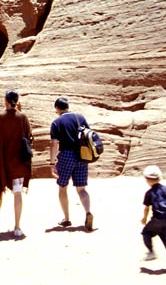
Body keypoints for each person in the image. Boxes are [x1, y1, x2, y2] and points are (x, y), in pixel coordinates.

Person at [0, 89, 32, 238]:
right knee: (17, 193)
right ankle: (17, 227)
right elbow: (29, 137)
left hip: (2, 162)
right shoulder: (23, 117)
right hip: (18, 163)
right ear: (17, 101)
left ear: (5, 101)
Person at [49, 96, 94, 231]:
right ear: (67, 106)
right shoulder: (80, 118)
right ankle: (87, 212)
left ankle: (67, 218)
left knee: (63, 187)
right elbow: (89, 134)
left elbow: (54, 143)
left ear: (57, 108)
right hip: (82, 155)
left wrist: (52, 163)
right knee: (81, 189)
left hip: (66, 155)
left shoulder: (56, 122)